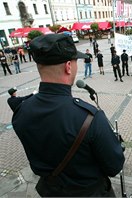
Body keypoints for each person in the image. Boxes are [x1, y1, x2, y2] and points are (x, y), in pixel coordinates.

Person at [11, 34, 125, 197]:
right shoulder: (90, 118)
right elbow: (114, 167)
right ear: (68, 67)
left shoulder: (21, 111)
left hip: (50, 192)